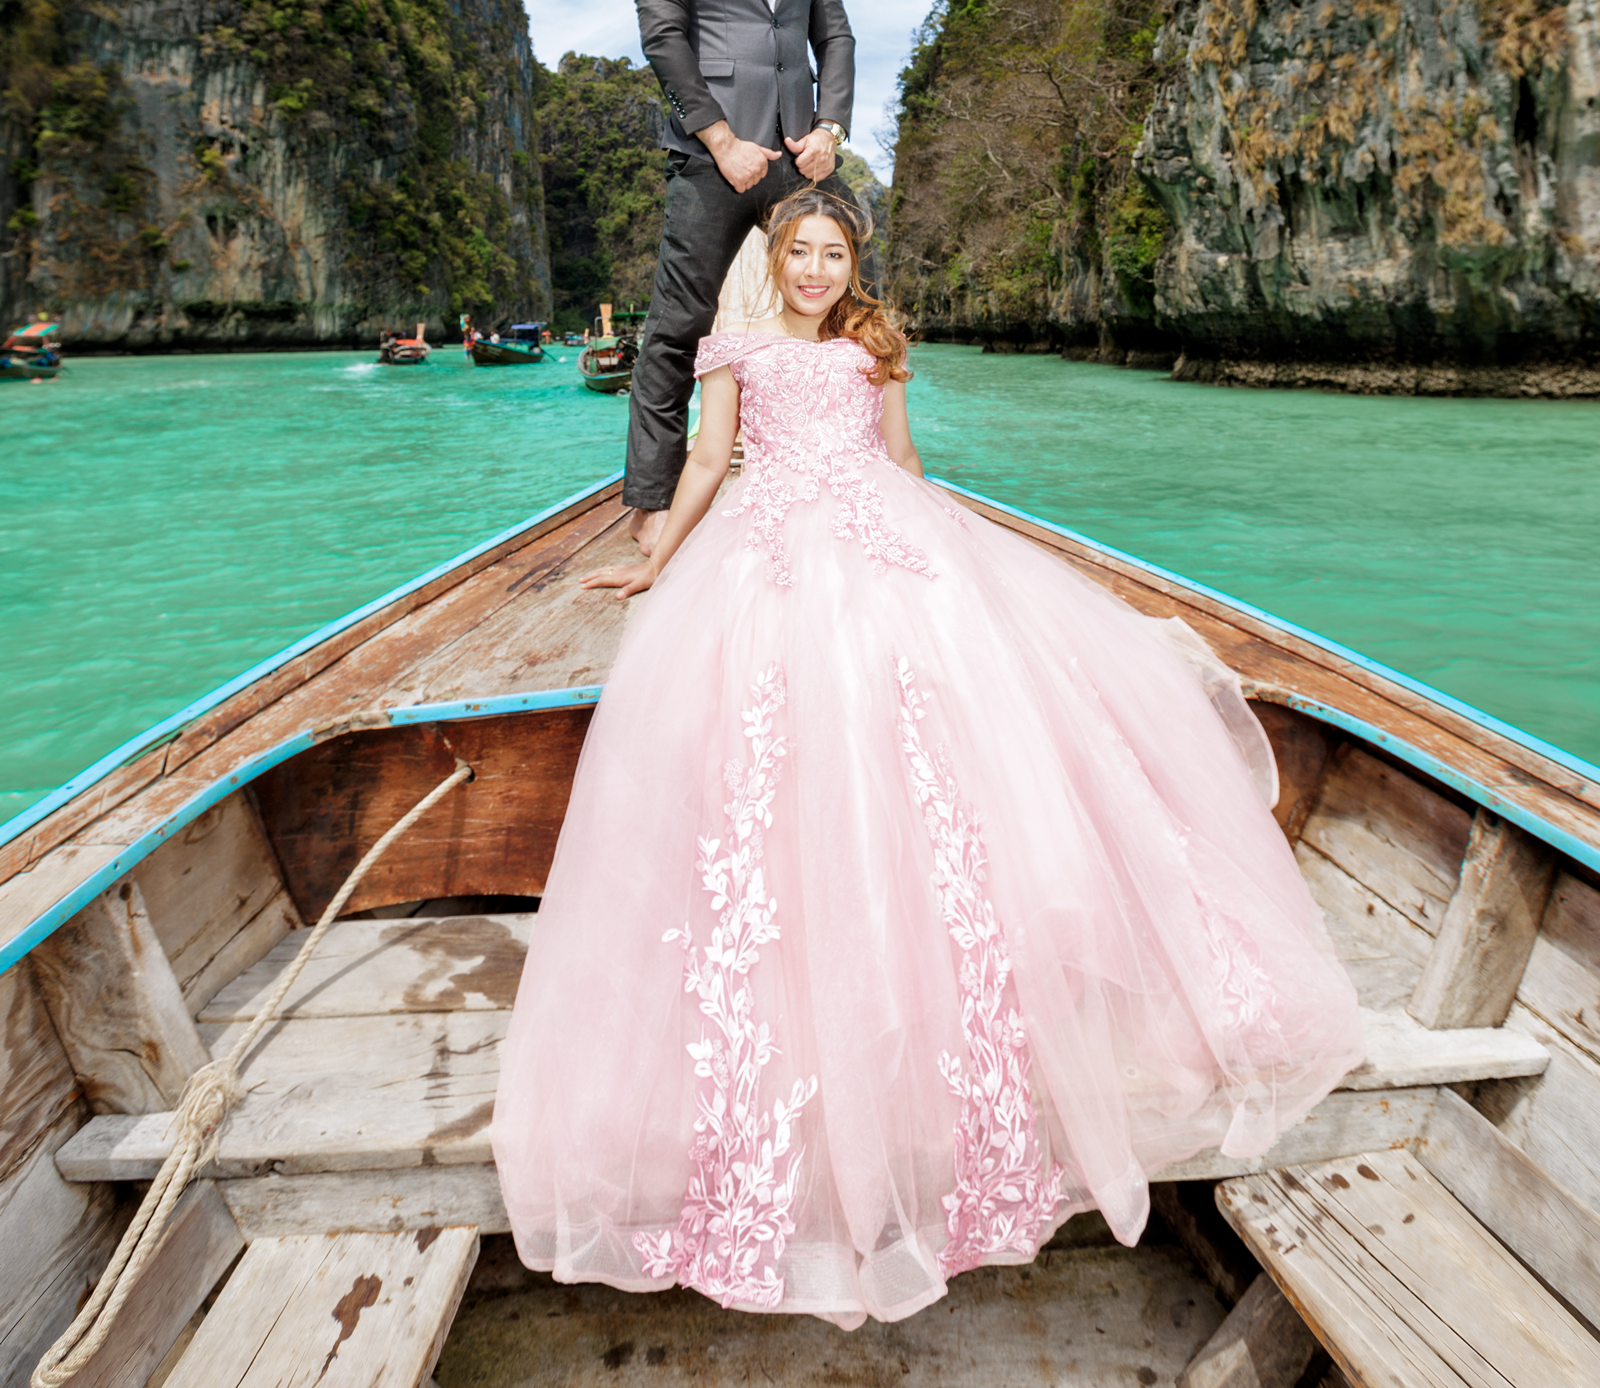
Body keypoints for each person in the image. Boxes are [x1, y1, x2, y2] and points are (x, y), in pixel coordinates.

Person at [491, 188, 1363, 1331]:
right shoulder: (732, 345)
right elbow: (708, 464)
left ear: (852, 261)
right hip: (766, 550)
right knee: (771, 753)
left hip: (883, 532)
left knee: (950, 734)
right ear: (774, 258)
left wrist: (937, 548)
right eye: (797, 251)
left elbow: (900, 456)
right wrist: (655, 565)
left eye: (831, 252)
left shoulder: (874, 338)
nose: (813, 268)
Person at [623, 0, 855, 551]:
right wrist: (719, 139)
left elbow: (837, 37)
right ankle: (651, 502)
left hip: (803, 154)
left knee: (856, 307)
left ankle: (861, 475)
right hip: (713, 153)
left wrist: (829, 128)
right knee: (678, 326)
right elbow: (664, 35)